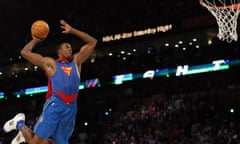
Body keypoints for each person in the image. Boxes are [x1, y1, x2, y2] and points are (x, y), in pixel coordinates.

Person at [3, 19, 97, 144]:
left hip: (71, 108)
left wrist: (72, 30)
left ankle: (24, 134)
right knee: (33, 143)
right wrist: (37, 39)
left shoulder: (76, 62)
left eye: (70, 47)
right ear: (59, 51)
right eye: (66, 47)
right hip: (55, 105)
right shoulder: (51, 64)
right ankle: (20, 123)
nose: (70, 49)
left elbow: (92, 42)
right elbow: (25, 53)